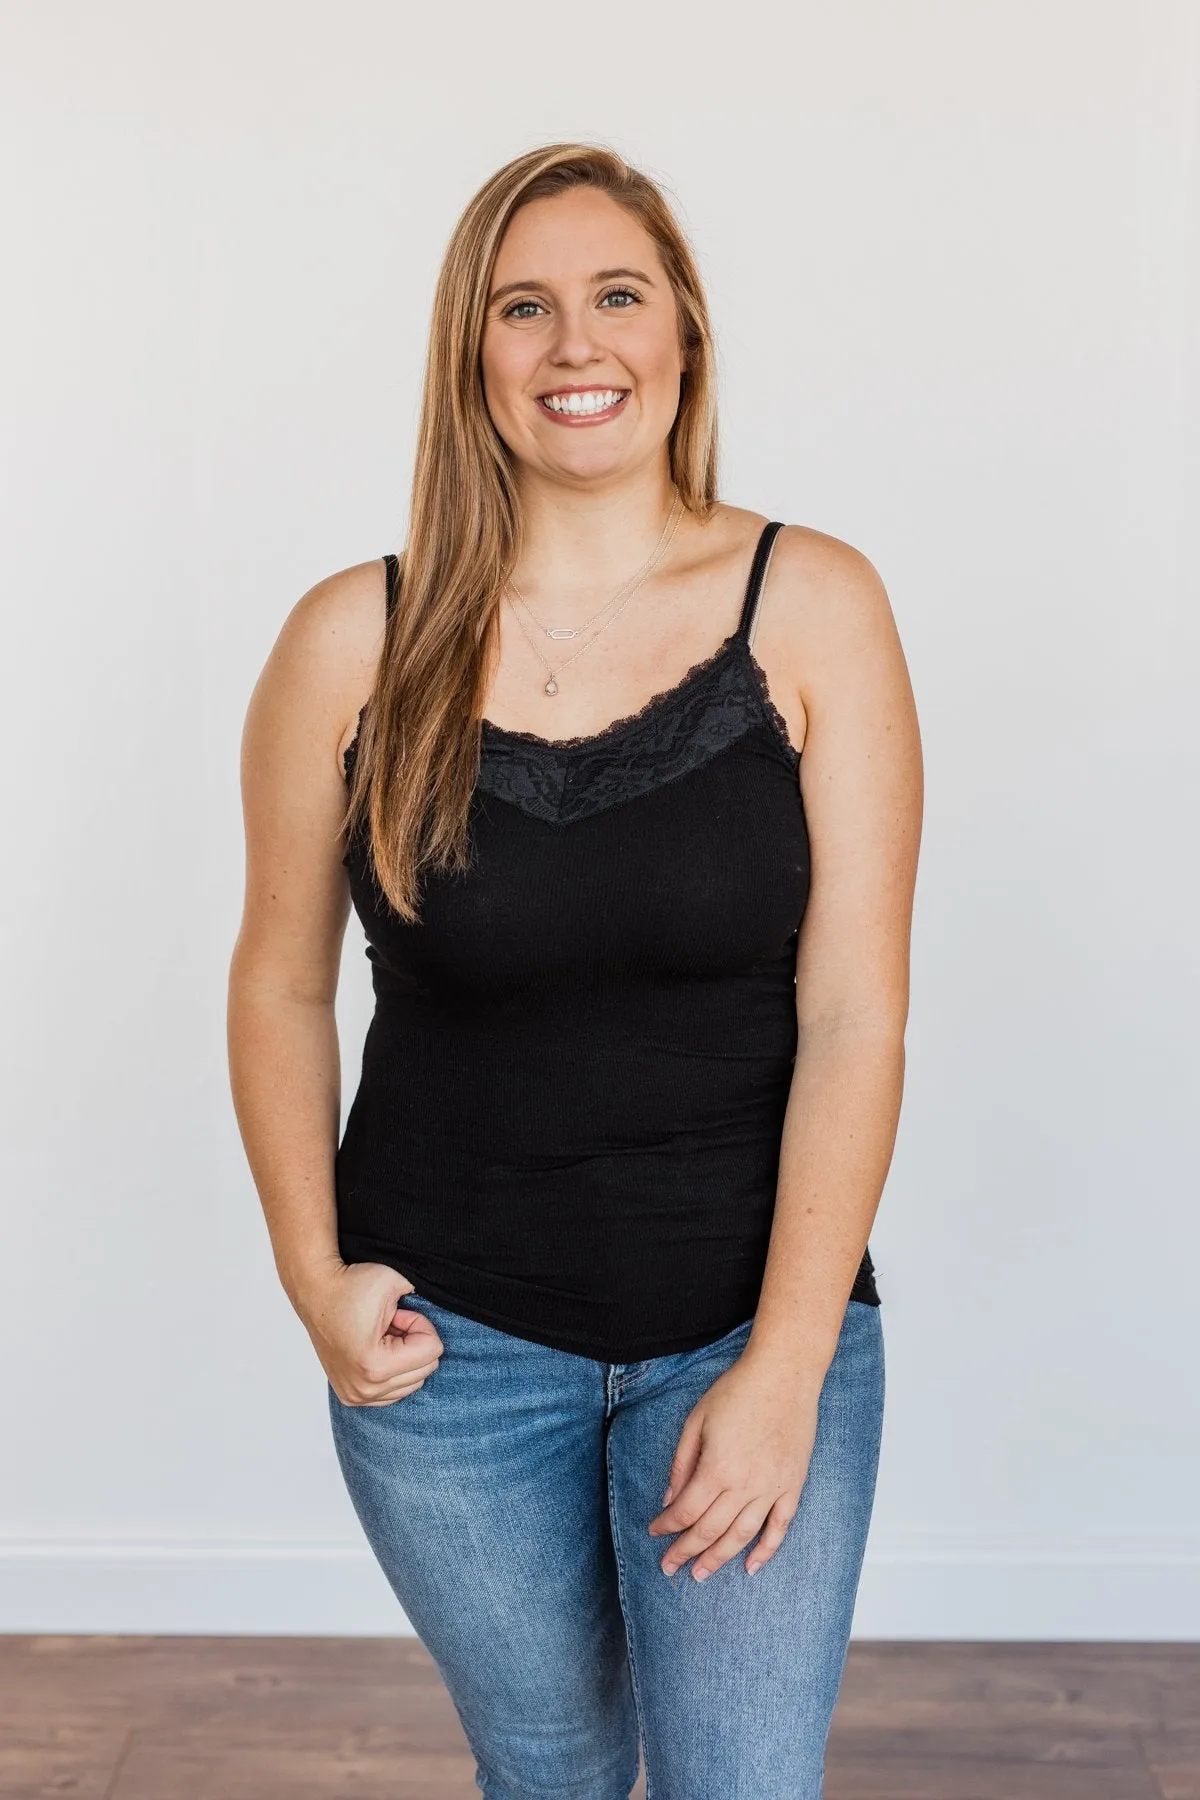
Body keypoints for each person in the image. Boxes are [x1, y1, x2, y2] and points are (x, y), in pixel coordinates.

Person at [228, 141, 923, 1800]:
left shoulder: (813, 606)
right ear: (471, 358)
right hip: (449, 1360)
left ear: (682, 327)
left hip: (742, 1330)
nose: (573, 346)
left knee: (738, 1783)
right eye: (521, 309)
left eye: (616, 295)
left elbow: (857, 1013)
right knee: (548, 1770)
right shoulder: (355, 640)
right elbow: (279, 983)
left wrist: (786, 1366)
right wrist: (309, 1275)